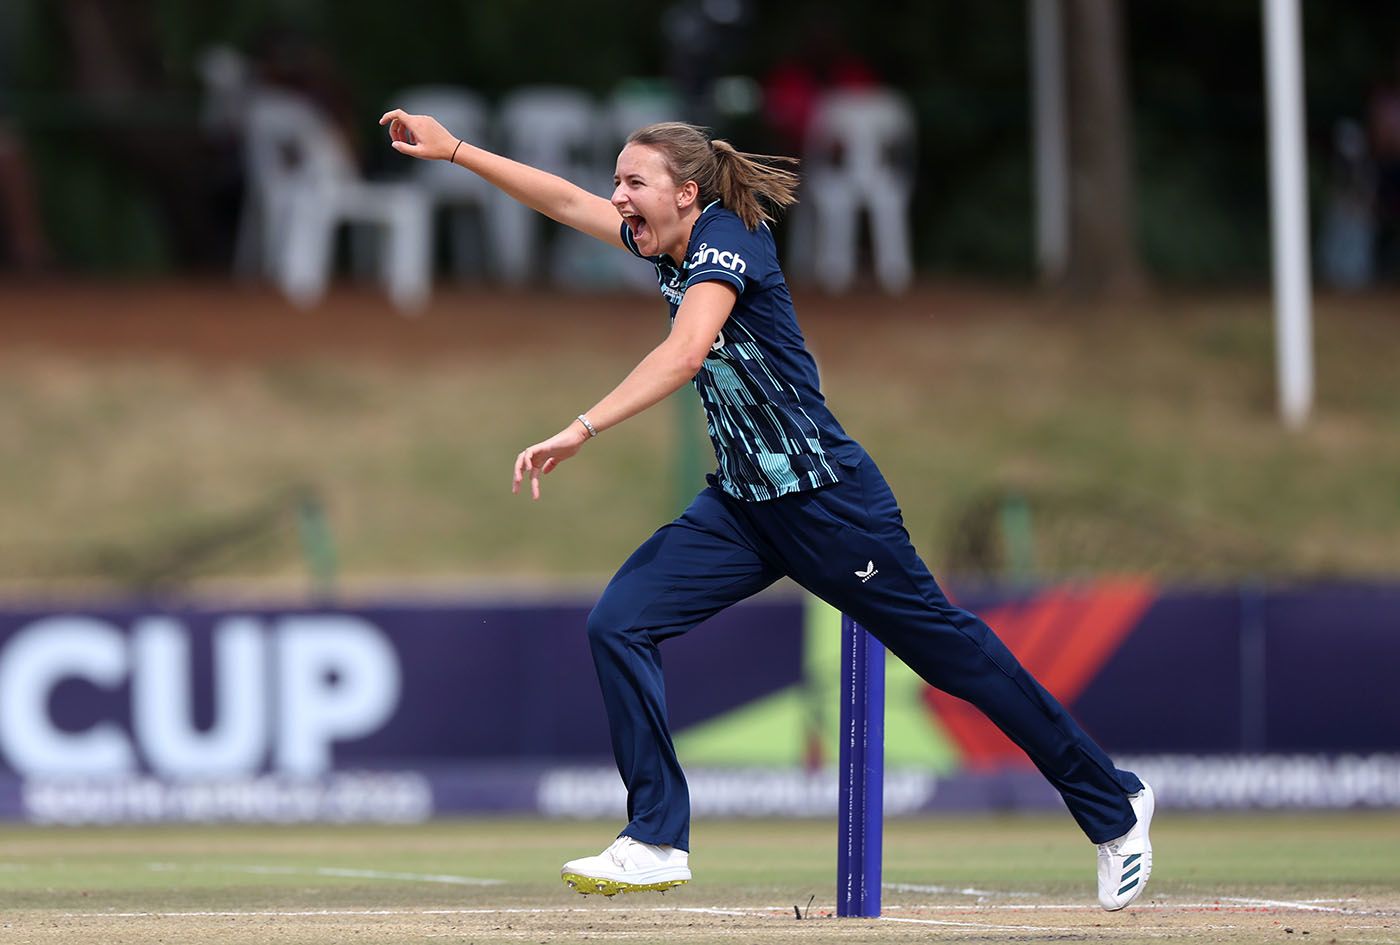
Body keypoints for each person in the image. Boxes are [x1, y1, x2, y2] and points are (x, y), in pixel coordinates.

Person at [379, 106, 1155, 912]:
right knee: (619, 621)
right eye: (616, 181)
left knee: (957, 659)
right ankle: (654, 837)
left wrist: (582, 427)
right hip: (745, 509)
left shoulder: (727, 241)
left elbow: (685, 353)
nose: (615, 197)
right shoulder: (666, 243)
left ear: (686, 193)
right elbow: (565, 203)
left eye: (633, 183)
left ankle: (1115, 803)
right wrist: (458, 150)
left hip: (828, 504)